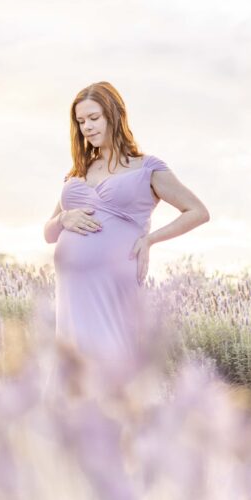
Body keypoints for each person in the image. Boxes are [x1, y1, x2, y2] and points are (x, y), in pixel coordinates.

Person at [44, 81, 210, 373]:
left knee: (112, 367)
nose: (87, 127)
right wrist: (63, 219)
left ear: (115, 115)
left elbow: (197, 211)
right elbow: (48, 233)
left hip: (113, 286)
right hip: (73, 289)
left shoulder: (146, 168)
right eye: (81, 122)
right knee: (73, 374)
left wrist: (150, 239)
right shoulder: (77, 172)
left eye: (94, 118)